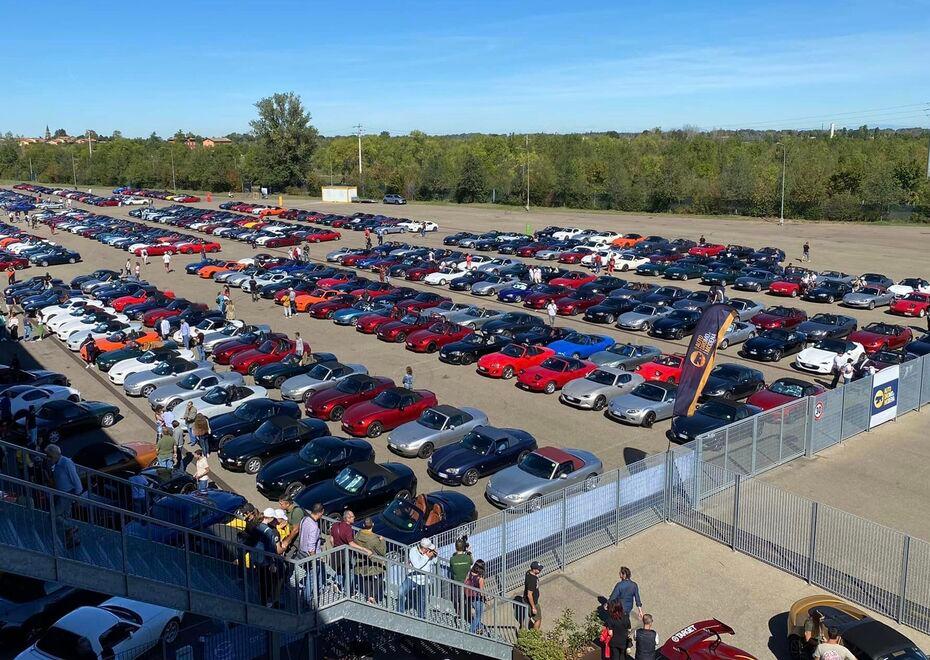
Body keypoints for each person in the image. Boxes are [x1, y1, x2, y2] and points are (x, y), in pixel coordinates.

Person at [45, 444, 84, 548]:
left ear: (55, 455)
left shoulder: (66, 463)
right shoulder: (56, 463)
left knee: (53, 516)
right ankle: (73, 540)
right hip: (62, 493)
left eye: (49, 456)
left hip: (67, 494)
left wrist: (78, 495)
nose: (48, 458)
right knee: (65, 517)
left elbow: (75, 479)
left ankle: (72, 528)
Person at [397, 538, 438, 618]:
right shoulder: (413, 551)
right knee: (401, 591)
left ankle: (421, 616)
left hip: (424, 580)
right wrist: (426, 557)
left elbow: (434, 562)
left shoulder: (429, 553)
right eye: (429, 549)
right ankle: (400, 611)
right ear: (425, 549)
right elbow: (417, 566)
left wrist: (435, 556)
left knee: (422, 600)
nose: (430, 551)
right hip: (413, 577)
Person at [353, 517, 387, 603]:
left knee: (366, 578)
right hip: (374, 562)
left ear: (363, 525)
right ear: (373, 525)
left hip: (362, 561)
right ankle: (373, 596)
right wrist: (382, 541)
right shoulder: (374, 539)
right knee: (379, 577)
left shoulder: (358, 535)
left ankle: (368, 596)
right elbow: (382, 552)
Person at [464, 559, 487, 634]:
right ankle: (471, 631)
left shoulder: (470, 572)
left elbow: (465, 582)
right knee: (478, 616)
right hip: (477, 599)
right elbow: (481, 592)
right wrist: (485, 598)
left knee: (477, 616)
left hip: (470, 598)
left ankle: (479, 628)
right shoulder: (480, 579)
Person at [523, 561, 542, 629]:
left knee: (529, 616)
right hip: (533, 603)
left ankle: (527, 626)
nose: (540, 570)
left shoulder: (528, 573)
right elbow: (529, 595)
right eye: (538, 569)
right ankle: (534, 634)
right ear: (534, 569)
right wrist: (533, 607)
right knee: (538, 619)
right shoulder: (532, 580)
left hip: (526, 601)